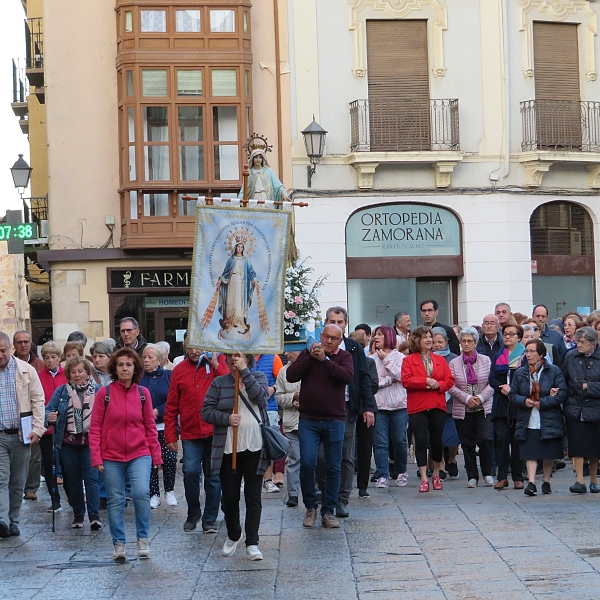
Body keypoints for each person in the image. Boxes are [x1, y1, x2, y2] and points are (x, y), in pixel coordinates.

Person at [89, 348, 162, 561]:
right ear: (114, 368)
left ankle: (142, 539)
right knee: (115, 499)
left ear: (135, 368)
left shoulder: (143, 394)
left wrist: (156, 455)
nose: (124, 368)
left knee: (141, 493)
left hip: (140, 453)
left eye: (129, 364)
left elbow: (150, 426)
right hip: (111, 456)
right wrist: (96, 456)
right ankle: (119, 543)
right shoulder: (105, 393)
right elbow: (95, 428)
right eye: (120, 365)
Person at [202, 352, 269, 561]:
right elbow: (206, 411)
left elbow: (261, 398)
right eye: (230, 358)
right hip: (227, 449)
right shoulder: (219, 383)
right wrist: (226, 418)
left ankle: (252, 542)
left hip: (254, 446)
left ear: (247, 360)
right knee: (230, 497)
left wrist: (245, 373)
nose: (233, 361)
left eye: (238, 358)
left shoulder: (258, 377)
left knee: (253, 496)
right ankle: (233, 533)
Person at [286, 324, 354, 528]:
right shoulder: (308, 355)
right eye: (326, 337)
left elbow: (346, 376)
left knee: (333, 466)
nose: (328, 341)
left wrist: (325, 360)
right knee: (307, 462)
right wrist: (309, 357)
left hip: (334, 419)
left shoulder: (344, 357)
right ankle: (310, 507)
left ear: (339, 341)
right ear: (321, 336)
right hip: (309, 419)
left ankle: (328, 510)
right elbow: (291, 376)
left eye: (333, 338)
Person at [164, 336, 228, 533]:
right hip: (191, 431)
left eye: (198, 345)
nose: (194, 351)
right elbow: (172, 404)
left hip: (215, 430)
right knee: (191, 472)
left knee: (214, 476)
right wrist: (170, 435)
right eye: (190, 346)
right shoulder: (180, 370)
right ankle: (193, 513)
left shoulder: (218, 364)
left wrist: (216, 364)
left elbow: (230, 384)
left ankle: (210, 518)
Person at [321, 307, 375, 519]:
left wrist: (368, 407)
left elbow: (363, 378)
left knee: (345, 456)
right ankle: (326, 496)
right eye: (332, 320)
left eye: (340, 321)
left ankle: (342, 499)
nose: (337, 324)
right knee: (321, 457)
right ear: (325, 322)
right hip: (322, 409)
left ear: (346, 324)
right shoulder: (319, 347)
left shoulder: (353, 348)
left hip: (346, 407)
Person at [45, 357, 101, 529]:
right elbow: (48, 409)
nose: (77, 375)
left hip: (90, 441)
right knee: (73, 479)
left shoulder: (98, 391)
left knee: (91, 478)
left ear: (87, 372)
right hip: (68, 442)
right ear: (68, 374)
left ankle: (94, 516)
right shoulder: (62, 391)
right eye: (73, 372)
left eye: (80, 371)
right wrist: (50, 416)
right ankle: (78, 515)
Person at [0, 331, 45, 538]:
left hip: (21, 434)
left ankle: (13, 519)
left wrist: (37, 429)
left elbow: (38, 400)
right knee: (1, 478)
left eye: (2, 350)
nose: (0, 355)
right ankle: (2, 520)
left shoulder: (26, 370)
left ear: (9, 349)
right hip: (0, 435)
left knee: (18, 481)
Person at [510, 339, 567, 496]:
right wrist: (524, 401)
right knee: (530, 450)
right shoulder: (520, 373)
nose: (528, 355)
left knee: (548, 451)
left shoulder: (553, 371)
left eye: (532, 351)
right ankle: (531, 482)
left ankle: (546, 481)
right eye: (526, 351)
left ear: (541, 354)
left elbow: (562, 393)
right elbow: (513, 394)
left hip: (548, 416)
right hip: (528, 417)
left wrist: (544, 402)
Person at [401, 326, 454, 492]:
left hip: (437, 404)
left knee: (437, 441)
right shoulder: (408, 360)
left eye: (430, 336)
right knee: (422, 441)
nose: (429, 340)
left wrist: (438, 385)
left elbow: (450, 380)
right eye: (425, 337)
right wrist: (425, 381)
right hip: (418, 406)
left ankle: (437, 474)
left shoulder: (440, 360)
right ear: (417, 340)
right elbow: (406, 381)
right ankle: (424, 477)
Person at [449, 328, 494, 488]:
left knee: (485, 440)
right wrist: (467, 398)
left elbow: (492, 383)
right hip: (463, 408)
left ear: (475, 343)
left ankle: (487, 473)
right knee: (467, 443)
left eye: (470, 341)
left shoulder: (486, 360)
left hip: (484, 408)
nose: (466, 344)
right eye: (464, 341)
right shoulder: (454, 363)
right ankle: (472, 476)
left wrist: (480, 398)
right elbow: (451, 386)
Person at [561, 326, 600, 494]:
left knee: (594, 447)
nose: (579, 345)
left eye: (583, 342)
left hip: (595, 409)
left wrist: (589, 387)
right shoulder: (570, 357)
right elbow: (562, 379)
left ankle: (593, 479)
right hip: (575, 407)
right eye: (577, 342)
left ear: (593, 343)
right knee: (576, 445)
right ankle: (579, 481)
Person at [489, 323, 526, 490]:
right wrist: (501, 388)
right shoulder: (498, 355)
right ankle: (502, 477)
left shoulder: (525, 355)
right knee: (502, 439)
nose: (508, 337)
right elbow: (492, 378)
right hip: (502, 403)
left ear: (519, 336)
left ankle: (518, 476)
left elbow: (528, 377)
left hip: (518, 403)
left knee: (517, 440)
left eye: (512, 334)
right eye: (505, 334)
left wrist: (514, 390)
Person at [371, 325, 408, 489]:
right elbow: (372, 383)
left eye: (380, 335)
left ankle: (401, 471)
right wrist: (388, 381)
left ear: (389, 337)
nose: (376, 338)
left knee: (400, 441)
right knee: (380, 443)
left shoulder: (400, 357)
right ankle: (383, 474)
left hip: (399, 406)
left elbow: (402, 376)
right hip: (379, 407)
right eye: (375, 335)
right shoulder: (371, 359)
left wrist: (386, 360)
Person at [140, 344, 176, 509]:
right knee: (150, 460)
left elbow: (175, 398)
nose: (146, 361)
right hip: (146, 426)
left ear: (160, 360)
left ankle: (169, 490)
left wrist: (159, 410)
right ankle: (154, 493)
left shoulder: (169, 376)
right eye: (144, 357)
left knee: (169, 459)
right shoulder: (139, 378)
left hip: (165, 424)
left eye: (150, 358)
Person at [34, 342, 67, 511]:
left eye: (53, 357)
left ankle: (71, 494)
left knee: (66, 462)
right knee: (49, 463)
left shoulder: (67, 375)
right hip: (46, 428)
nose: (50, 361)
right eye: (46, 357)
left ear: (59, 358)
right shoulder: (38, 376)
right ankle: (55, 499)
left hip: (65, 429)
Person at [15, 331, 45, 501]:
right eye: (20, 342)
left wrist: (39, 424)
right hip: (13, 419)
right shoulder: (9, 364)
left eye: (26, 342)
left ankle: (31, 487)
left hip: (30, 417)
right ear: (15, 345)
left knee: (34, 456)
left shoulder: (38, 365)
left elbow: (39, 396)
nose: (23, 345)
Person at [275, 351, 302, 507]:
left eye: (290, 349)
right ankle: (293, 494)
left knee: (313, 459)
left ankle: (316, 490)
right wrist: (293, 398)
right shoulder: (283, 371)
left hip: (310, 419)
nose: (286, 353)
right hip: (292, 423)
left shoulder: (313, 367)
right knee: (294, 458)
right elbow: (279, 396)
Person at [254, 353, 284, 492]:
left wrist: (272, 389)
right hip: (249, 408)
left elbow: (281, 379)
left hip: (269, 407)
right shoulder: (243, 355)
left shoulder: (274, 357)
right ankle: (246, 479)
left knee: (268, 445)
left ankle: (267, 479)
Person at [432, 328, 460, 478]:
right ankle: (440, 465)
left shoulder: (454, 359)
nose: (437, 345)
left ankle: (452, 459)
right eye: (434, 342)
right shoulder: (428, 358)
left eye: (440, 342)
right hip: (435, 400)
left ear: (446, 342)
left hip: (452, 401)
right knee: (438, 435)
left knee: (453, 435)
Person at [216, 241, 259, 335]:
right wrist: (220, 280)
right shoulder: (231, 259)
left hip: (241, 283)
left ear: (243, 249)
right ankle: (229, 321)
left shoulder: (246, 260)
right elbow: (225, 273)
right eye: (238, 246)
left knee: (239, 302)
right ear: (235, 247)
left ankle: (239, 321)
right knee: (230, 301)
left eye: (241, 247)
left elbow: (251, 272)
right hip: (231, 282)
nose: (239, 248)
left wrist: (255, 281)